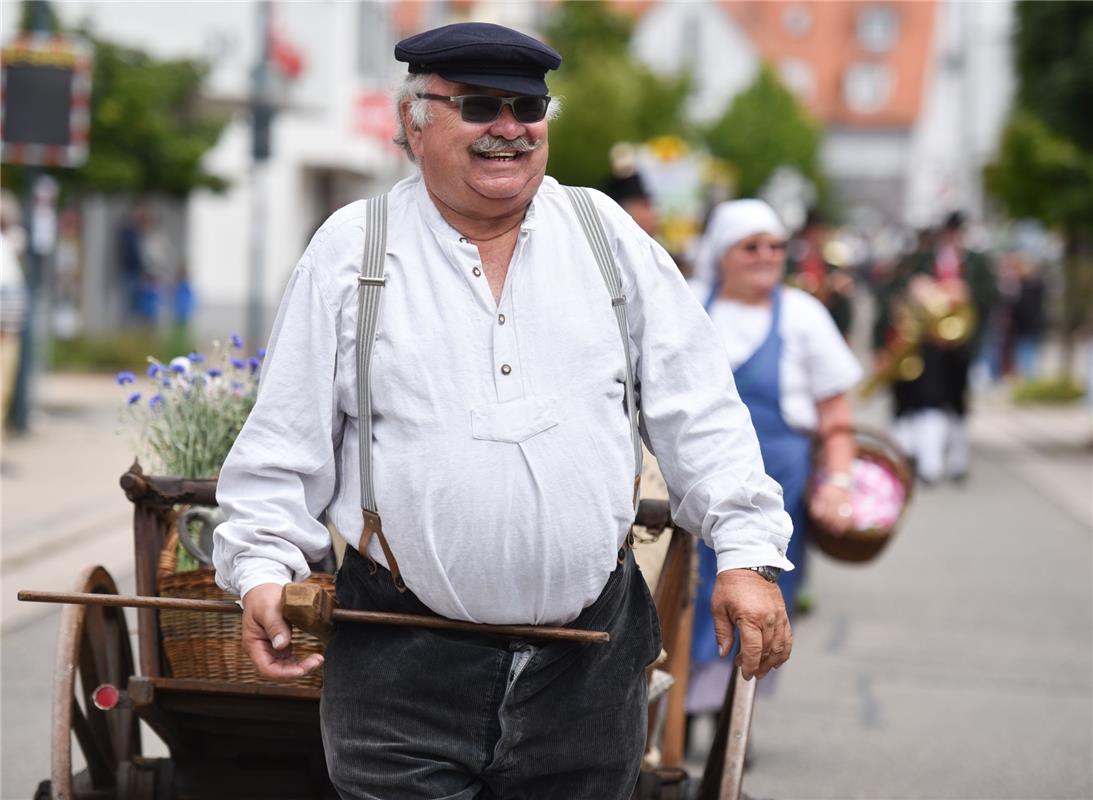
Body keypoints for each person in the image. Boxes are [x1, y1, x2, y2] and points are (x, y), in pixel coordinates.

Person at [214, 22, 794, 800]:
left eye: (528, 106)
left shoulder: (603, 236)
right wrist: (260, 573)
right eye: (481, 106)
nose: (510, 129)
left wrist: (746, 555)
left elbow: (701, 413)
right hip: (399, 670)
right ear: (413, 124)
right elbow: (283, 446)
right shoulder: (353, 249)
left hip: (588, 669)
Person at [686, 199, 862, 716]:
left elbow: (836, 414)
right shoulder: (690, 305)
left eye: (775, 246)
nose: (766, 255)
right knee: (688, 598)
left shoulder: (804, 315)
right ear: (722, 255)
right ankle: (680, 714)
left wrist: (839, 482)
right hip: (696, 481)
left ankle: (735, 717)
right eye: (751, 246)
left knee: (760, 600)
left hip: (779, 484)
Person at [872, 211, 997, 484]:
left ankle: (957, 460)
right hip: (929, 343)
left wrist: (966, 292)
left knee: (958, 400)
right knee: (930, 398)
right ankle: (931, 463)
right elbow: (899, 285)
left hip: (962, 344)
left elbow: (991, 295)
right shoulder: (923, 259)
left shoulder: (977, 262)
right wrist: (920, 288)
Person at [785, 209, 854, 337]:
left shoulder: (832, 266)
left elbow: (844, 309)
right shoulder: (791, 263)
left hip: (828, 326)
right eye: (816, 233)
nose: (820, 238)